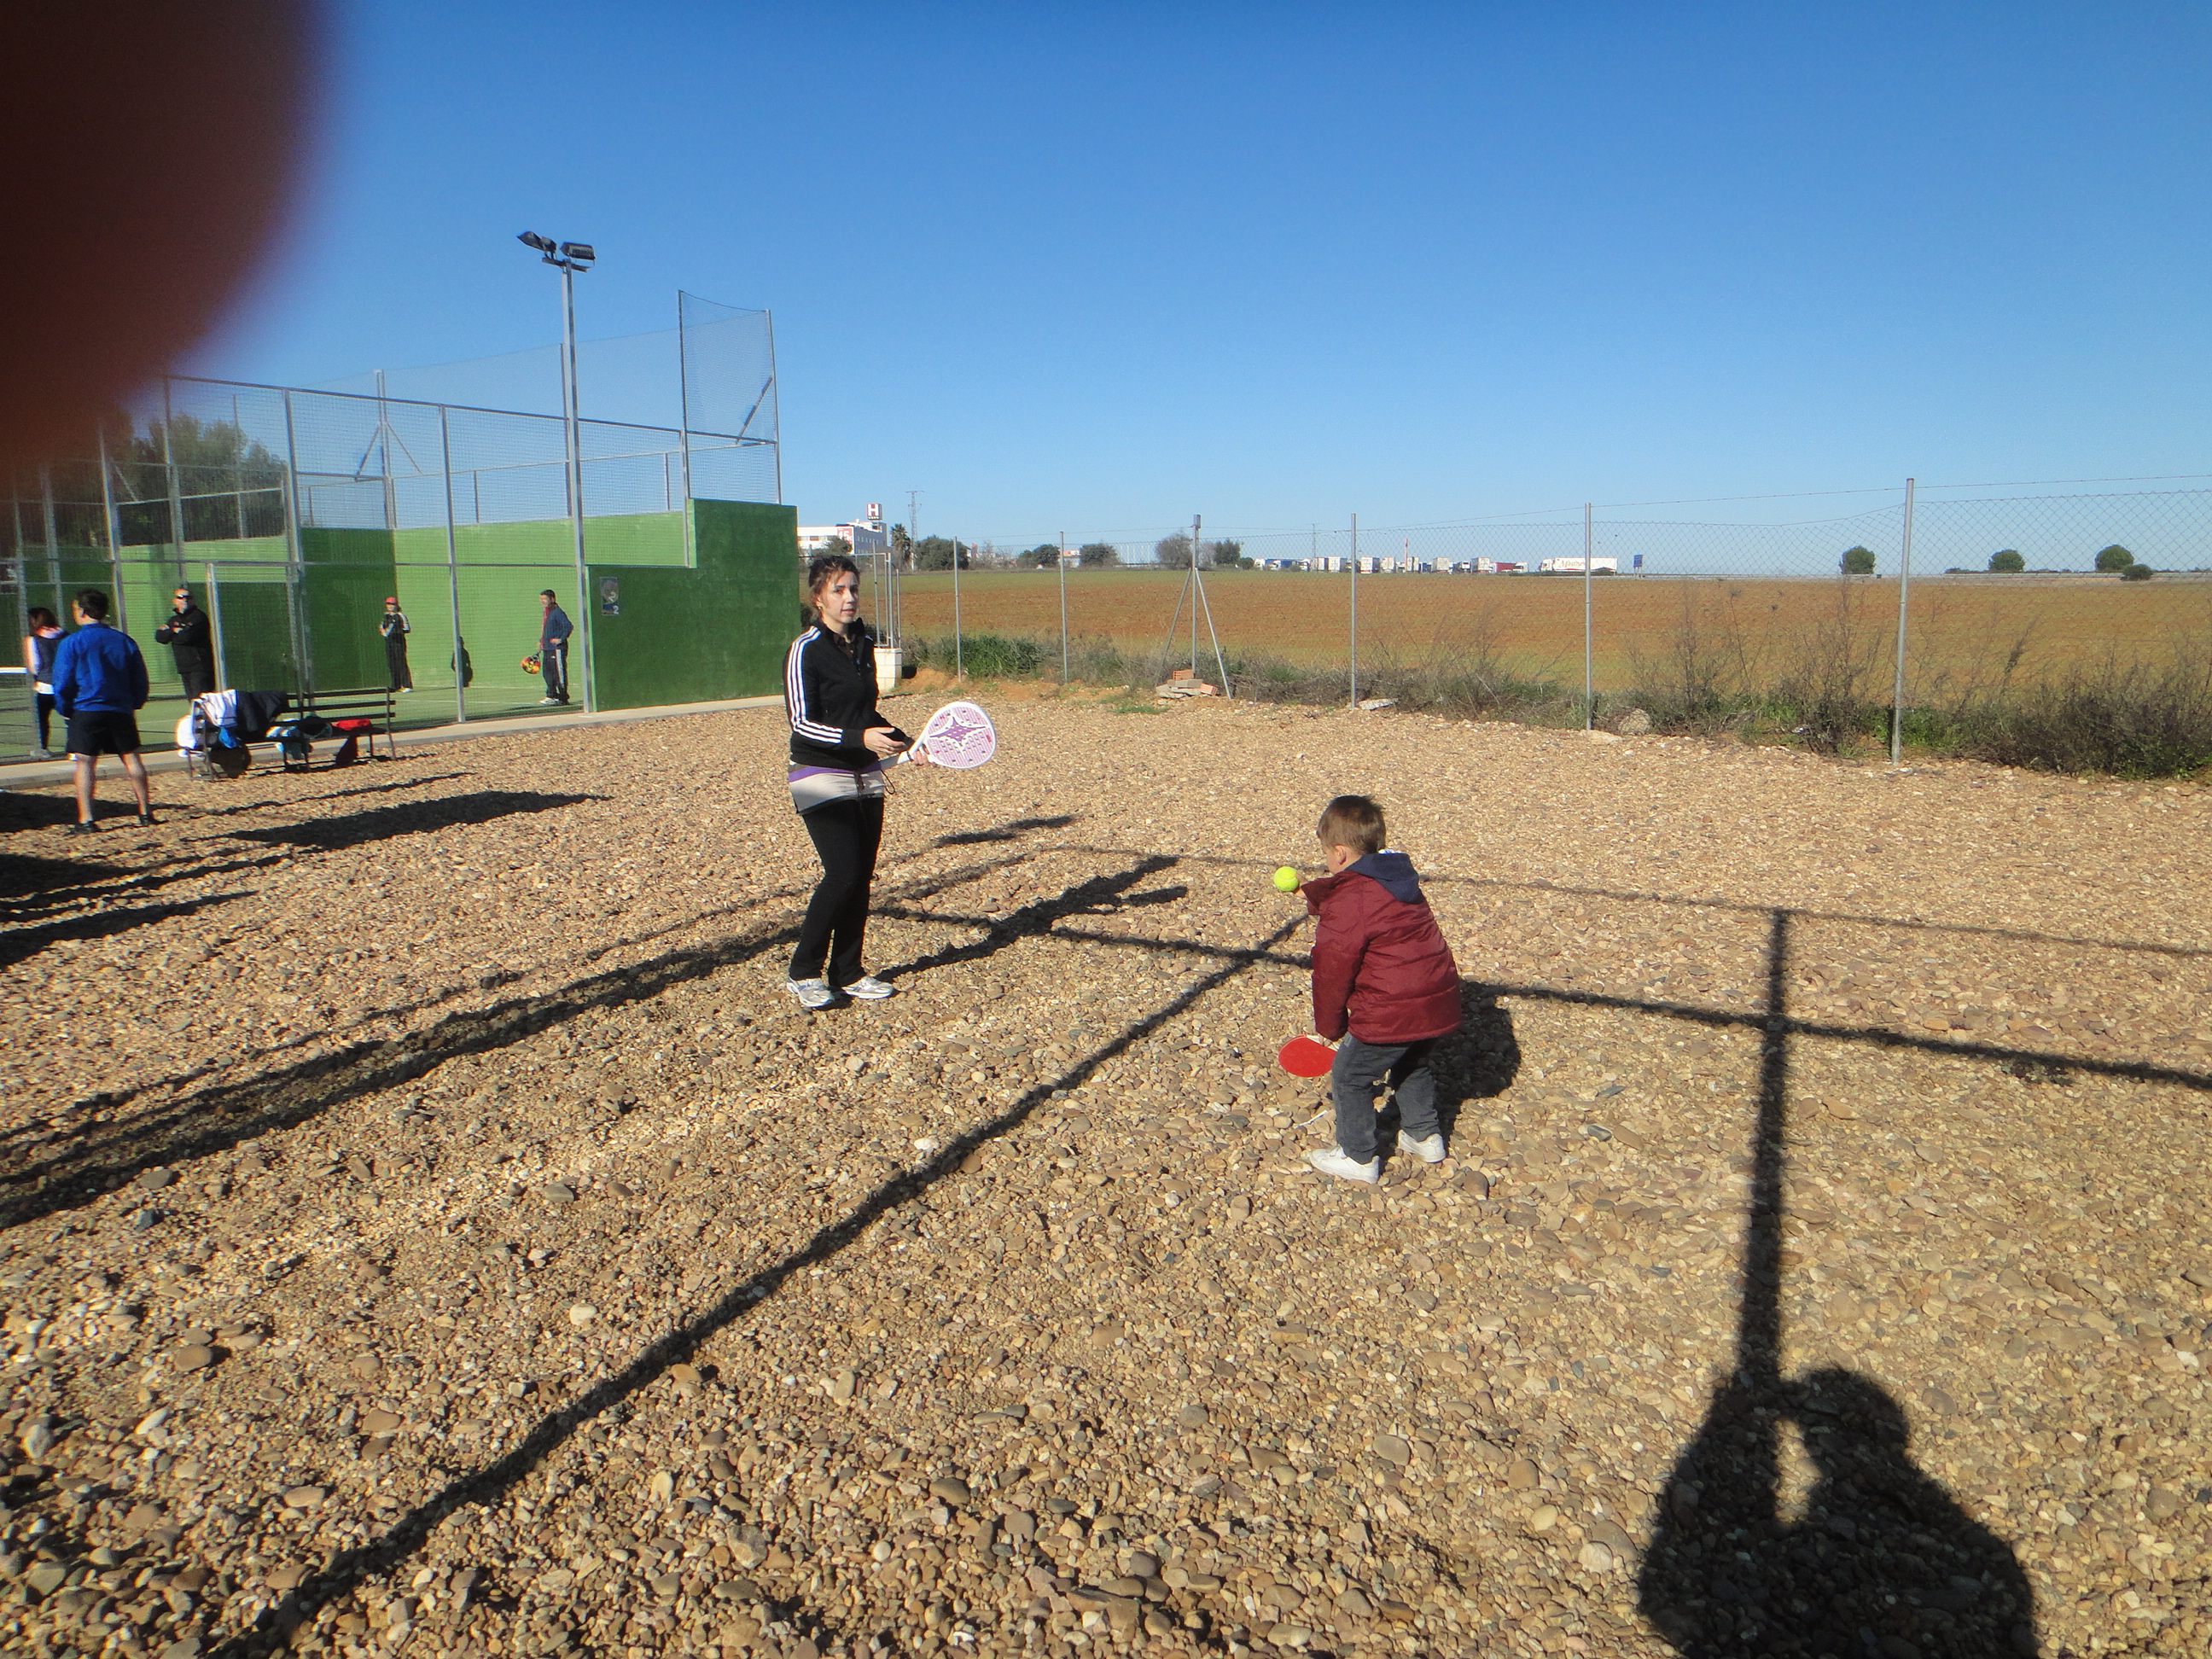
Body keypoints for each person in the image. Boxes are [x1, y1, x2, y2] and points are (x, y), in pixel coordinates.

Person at [1295, 795, 1462, 1184]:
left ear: (1339, 852)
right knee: (1411, 1061)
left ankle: (1358, 1157)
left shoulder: (1351, 900)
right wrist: (1314, 893)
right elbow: (1356, 902)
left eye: (1326, 853)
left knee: (1350, 1075)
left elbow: (1332, 970)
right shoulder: (1396, 879)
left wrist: (1330, 1026)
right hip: (1435, 1001)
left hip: (1391, 1007)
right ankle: (1424, 1136)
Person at [783, 553, 911, 1008]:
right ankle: (803, 971)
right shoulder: (805, 649)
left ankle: (848, 971)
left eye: (853, 588)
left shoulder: (864, 644)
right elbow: (802, 722)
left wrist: (906, 742)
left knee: (861, 877)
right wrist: (861, 737)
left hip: (866, 773)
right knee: (842, 873)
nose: (849, 597)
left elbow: (864, 712)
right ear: (818, 598)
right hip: (818, 772)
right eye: (838, 589)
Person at [51, 589, 154, 833]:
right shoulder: (124, 640)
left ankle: (86, 819)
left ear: (82, 611)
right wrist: (134, 702)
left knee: (85, 762)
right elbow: (140, 677)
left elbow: (62, 682)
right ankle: (145, 812)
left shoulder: (72, 642)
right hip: (119, 708)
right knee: (131, 756)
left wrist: (65, 708)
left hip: (86, 708)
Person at [154, 586, 214, 697]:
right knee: (192, 701)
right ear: (175, 601)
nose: (185, 600)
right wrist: (174, 630)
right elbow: (160, 637)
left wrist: (171, 634)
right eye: (180, 597)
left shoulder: (198, 617)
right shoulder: (173, 620)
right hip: (184, 667)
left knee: (201, 700)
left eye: (188, 597)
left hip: (199, 667)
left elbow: (185, 638)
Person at [21, 606, 62, 758]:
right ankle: (76, 750)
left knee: (42, 719)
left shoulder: (33, 640)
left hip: (45, 686)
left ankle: (43, 749)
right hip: (66, 684)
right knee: (71, 717)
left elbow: (35, 665)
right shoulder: (65, 636)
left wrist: (38, 677)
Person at [537, 589, 573, 706]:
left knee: (558, 672)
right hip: (547, 648)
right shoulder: (547, 612)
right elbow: (546, 629)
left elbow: (568, 626)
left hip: (557, 649)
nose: (542, 601)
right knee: (547, 673)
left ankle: (563, 697)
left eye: (545, 599)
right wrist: (541, 641)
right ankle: (551, 695)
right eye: (541, 599)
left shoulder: (557, 612)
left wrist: (560, 639)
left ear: (552, 599)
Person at [379, 596, 412, 692]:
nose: (390, 606)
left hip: (398, 641)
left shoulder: (400, 616)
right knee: (392, 663)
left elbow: (407, 629)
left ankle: (407, 685)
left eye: (392, 604)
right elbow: (382, 627)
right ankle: (395, 685)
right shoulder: (386, 616)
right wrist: (383, 631)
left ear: (396, 605)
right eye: (388, 604)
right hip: (389, 642)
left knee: (401, 662)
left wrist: (397, 631)